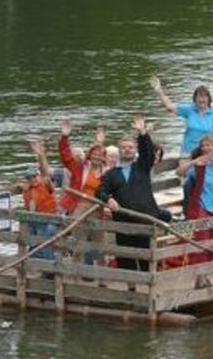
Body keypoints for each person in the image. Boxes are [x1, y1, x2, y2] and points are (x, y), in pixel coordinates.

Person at [97, 115, 171, 276]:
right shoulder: (111, 174)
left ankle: (147, 291)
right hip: (123, 222)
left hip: (145, 220)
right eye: (124, 147)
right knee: (126, 260)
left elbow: (148, 153)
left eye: (131, 147)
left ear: (135, 150)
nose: (127, 149)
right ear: (119, 151)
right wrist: (108, 199)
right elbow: (100, 191)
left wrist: (143, 133)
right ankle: (131, 290)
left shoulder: (142, 167)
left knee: (146, 259)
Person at [176, 135, 213, 288]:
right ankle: (201, 278)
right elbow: (179, 172)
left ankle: (205, 276)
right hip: (201, 205)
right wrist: (194, 161)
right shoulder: (198, 165)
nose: (205, 148)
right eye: (203, 146)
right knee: (201, 242)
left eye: (208, 145)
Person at [58, 119, 105, 265]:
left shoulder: (107, 172)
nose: (97, 157)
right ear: (89, 155)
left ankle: (100, 274)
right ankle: (77, 272)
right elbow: (66, 158)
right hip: (80, 205)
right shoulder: (80, 168)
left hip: (98, 208)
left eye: (100, 155)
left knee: (99, 243)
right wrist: (65, 137)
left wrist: (100, 142)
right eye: (94, 154)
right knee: (79, 241)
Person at [149, 76, 213, 157]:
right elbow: (169, 106)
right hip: (187, 151)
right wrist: (159, 90)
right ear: (195, 99)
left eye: (204, 97)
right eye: (199, 97)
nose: (202, 100)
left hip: (205, 153)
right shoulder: (189, 110)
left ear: (209, 99)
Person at [21, 140, 59, 261]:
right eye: (29, 178)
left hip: (49, 219)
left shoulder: (45, 183)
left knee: (46, 237)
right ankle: (37, 260)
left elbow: (45, 171)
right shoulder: (27, 189)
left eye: (34, 176)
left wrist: (41, 155)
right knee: (30, 238)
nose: (33, 179)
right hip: (34, 221)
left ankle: (49, 265)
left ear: (38, 176)